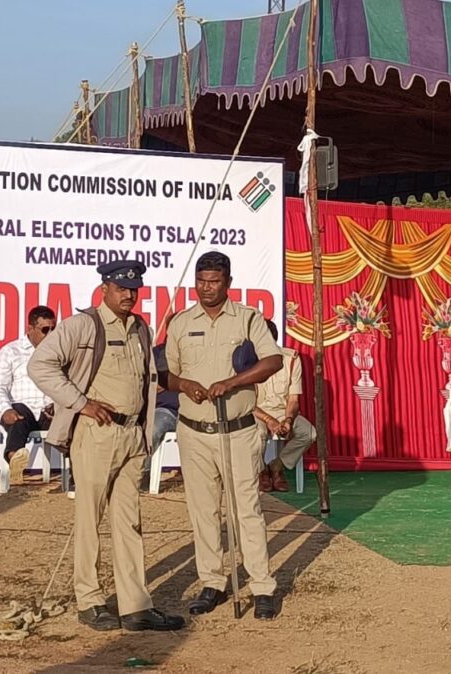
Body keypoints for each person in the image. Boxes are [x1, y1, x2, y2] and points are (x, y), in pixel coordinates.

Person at [28, 260, 184, 632]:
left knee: (129, 521)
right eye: (121, 288)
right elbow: (41, 366)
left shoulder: (141, 329)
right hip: (97, 433)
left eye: (134, 289)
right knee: (89, 520)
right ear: (104, 289)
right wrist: (82, 403)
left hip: (133, 434)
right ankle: (91, 600)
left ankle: (135, 606)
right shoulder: (82, 325)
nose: (128, 294)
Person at [166, 251, 284, 620]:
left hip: (237, 431)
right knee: (203, 512)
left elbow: (273, 361)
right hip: (193, 431)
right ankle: (212, 582)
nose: (206, 288)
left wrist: (232, 382)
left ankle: (262, 585)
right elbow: (165, 375)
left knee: (245, 511)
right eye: (201, 281)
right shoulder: (180, 323)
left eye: (214, 281)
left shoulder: (248, 319)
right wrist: (184, 383)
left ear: (227, 283)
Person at [0, 305, 55, 488]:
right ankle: (15, 458)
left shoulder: (60, 351)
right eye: (44, 330)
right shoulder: (11, 351)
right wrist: (5, 409)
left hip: (49, 410)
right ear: (30, 329)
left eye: (53, 329)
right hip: (22, 410)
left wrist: (59, 405)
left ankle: (77, 476)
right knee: (17, 416)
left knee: (72, 421)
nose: (50, 334)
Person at [254, 319, 317, 492]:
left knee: (309, 433)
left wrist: (288, 419)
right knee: (255, 433)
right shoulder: (247, 361)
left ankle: (276, 466)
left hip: (283, 411)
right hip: (256, 414)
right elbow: (248, 403)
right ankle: (261, 471)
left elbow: (294, 399)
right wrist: (268, 420)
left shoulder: (291, 359)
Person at [151, 314, 179, 452]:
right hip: (167, 410)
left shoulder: (199, 353)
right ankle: (146, 472)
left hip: (197, 411)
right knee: (154, 428)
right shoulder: (156, 353)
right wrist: (166, 383)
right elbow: (147, 385)